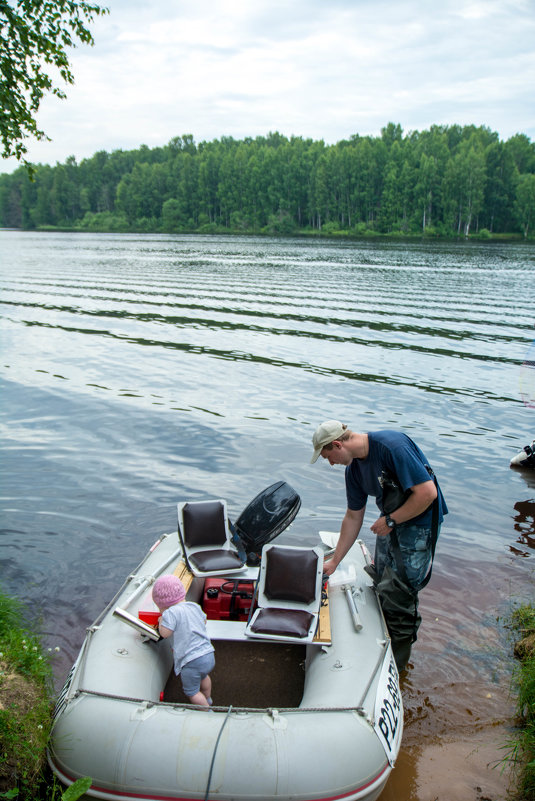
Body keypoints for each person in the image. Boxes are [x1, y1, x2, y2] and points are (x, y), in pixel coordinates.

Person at [310, 420, 448, 670]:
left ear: (337, 444)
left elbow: (427, 493)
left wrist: (392, 521)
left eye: (328, 456)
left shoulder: (392, 447)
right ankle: (380, 646)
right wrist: (335, 561)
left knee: (400, 593)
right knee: (381, 578)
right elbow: (353, 516)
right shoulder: (353, 471)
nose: (330, 463)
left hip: (419, 524)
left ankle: (398, 666)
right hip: (391, 520)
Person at [152, 574, 215, 707]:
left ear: (163, 604)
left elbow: (165, 633)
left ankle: (207, 710)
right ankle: (208, 698)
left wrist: (161, 620)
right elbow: (204, 620)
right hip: (208, 654)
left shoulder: (170, 613)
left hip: (191, 661)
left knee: (192, 692)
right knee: (204, 676)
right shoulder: (194, 606)